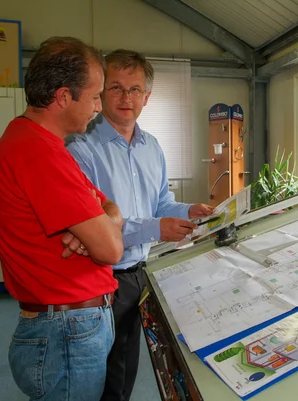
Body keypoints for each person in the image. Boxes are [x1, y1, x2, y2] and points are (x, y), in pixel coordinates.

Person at [65, 49, 214, 401]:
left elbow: (160, 203)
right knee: (97, 375)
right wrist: (156, 228)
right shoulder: (81, 149)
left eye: (134, 90)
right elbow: (93, 224)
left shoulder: (153, 148)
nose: (125, 98)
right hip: (99, 279)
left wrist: (189, 210)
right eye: (116, 88)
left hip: (141, 275)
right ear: (100, 92)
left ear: (147, 97)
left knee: (127, 368)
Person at [0, 36, 125, 401]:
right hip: (66, 330)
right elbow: (110, 250)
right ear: (63, 97)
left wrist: (96, 225)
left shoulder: (42, 145)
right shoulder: (37, 152)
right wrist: (100, 229)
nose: (98, 106)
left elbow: (109, 206)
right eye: (94, 96)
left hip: (68, 325)